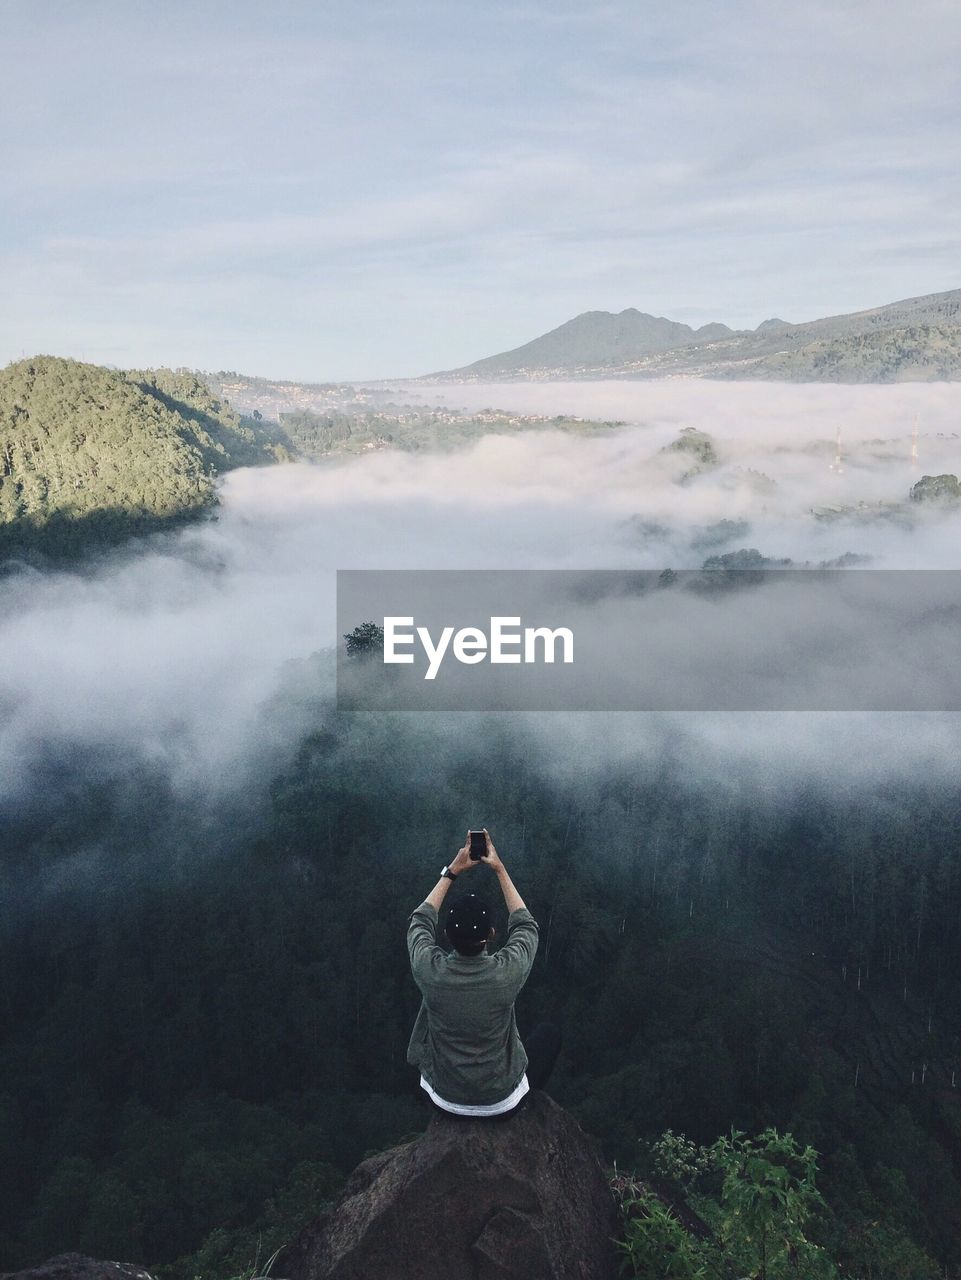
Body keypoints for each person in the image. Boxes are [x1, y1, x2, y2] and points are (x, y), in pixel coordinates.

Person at [406, 828, 561, 1118]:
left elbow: (420, 920)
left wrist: (452, 871)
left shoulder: (431, 971)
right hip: (501, 1104)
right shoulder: (505, 975)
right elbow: (526, 926)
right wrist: (499, 869)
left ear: (447, 936)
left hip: (445, 1102)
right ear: (491, 934)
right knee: (549, 1035)